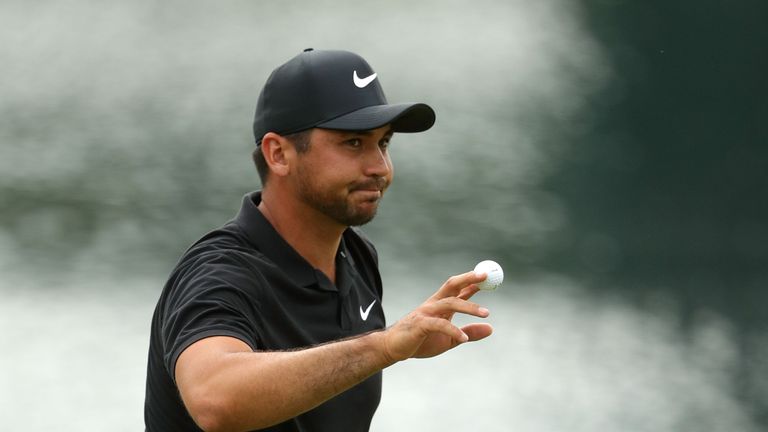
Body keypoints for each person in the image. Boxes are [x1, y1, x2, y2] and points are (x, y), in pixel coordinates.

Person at [144, 48, 493, 432]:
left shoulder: (356, 258)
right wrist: (383, 346)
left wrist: (393, 345)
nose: (380, 167)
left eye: (384, 143)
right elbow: (215, 400)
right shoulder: (219, 274)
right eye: (354, 143)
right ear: (278, 154)